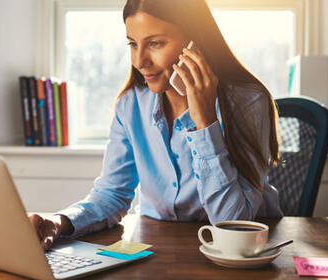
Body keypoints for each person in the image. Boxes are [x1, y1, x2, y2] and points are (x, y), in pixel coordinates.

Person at [29, 0, 283, 249]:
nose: (139, 61)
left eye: (155, 43)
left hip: (241, 254)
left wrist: (205, 122)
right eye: (132, 44)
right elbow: (112, 195)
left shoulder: (248, 102)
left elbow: (234, 225)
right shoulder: (131, 105)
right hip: (157, 248)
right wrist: (59, 221)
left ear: (195, 43)